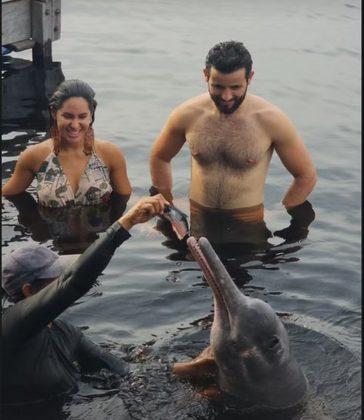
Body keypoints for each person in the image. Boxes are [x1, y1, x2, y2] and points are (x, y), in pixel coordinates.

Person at [1, 194, 169, 406]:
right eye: (55, 277)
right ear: (29, 290)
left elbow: (124, 370)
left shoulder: (66, 332)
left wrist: (193, 367)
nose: (63, 277)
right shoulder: (9, 328)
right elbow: (73, 282)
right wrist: (127, 222)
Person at [149, 41, 317, 224]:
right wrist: (166, 208)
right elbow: (160, 158)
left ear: (250, 78)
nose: (227, 96)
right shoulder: (187, 114)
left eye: (236, 87)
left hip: (248, 224)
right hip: (198, 217)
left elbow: (306, 176)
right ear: (206, 75)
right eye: (219, 86)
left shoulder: (271, 121)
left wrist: (280, 211)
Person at [2, 79, 132, 207]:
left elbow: (124, 199)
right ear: (54, 113)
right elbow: (7, 195)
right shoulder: (34, 156)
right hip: (46, 228)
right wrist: (30, 220)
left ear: (91, 115)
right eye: (68, 116)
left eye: (82, 116)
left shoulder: (110, 153)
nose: (75, 125)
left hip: (101, 229)